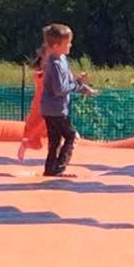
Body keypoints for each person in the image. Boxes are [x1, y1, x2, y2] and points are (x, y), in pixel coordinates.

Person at [39, 23, 98, 176]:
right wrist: (77, 85)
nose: (70, 45)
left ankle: (50, 170)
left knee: (55, 141)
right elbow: (60, 89)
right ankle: (59, 169)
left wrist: (82, 85)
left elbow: (69, 81)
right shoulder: (55, 63)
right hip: (55, 110)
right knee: (71, 136)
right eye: (67, 43)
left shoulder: (63, 59)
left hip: (52, 108)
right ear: (56, 46)